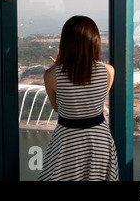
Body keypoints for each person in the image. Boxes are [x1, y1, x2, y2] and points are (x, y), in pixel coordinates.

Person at [38, 15, 119, 181]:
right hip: (99, 139)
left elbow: (58, 108)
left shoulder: (52, 75)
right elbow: (97, 102)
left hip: (68, 140)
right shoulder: (108, 71)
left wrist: (57, 66)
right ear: (95, 41)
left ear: (66, 42)